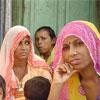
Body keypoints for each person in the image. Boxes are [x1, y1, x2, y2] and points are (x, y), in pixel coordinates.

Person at [48, 21, 100, 100]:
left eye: (79, 43)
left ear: (94, 44)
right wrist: (57, 84)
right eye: (65, 47)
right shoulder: (66, 82)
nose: (71, 53)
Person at [0, 26, 52, 100]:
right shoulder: (1, 68)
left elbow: (50, 96)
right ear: (10, 45)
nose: (24, 48)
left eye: (27, 43)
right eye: (19, 43)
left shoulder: (40, 67)